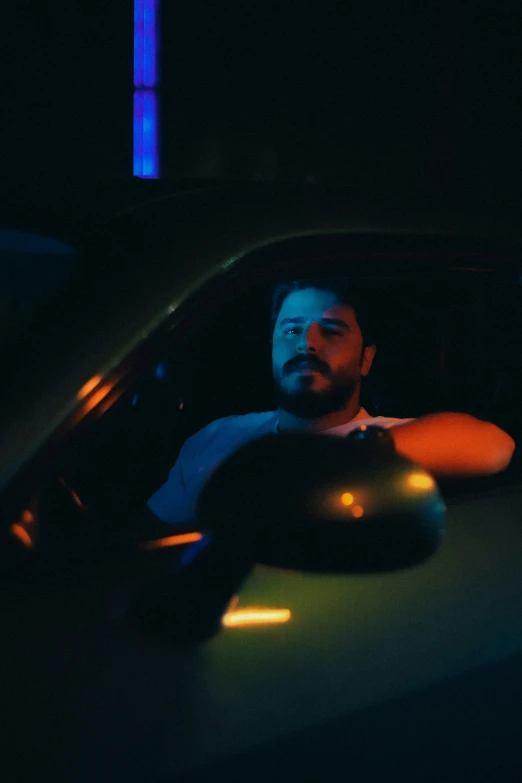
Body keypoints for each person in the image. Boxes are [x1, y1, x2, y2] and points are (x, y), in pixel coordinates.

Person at [146, 277, 516, 527]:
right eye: (291, 330)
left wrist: (354, 456)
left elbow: (495, 445)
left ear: (366, 359)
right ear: (271, 348)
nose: (307, 343)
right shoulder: (216, 436)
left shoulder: (389, 438)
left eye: (331, 330)